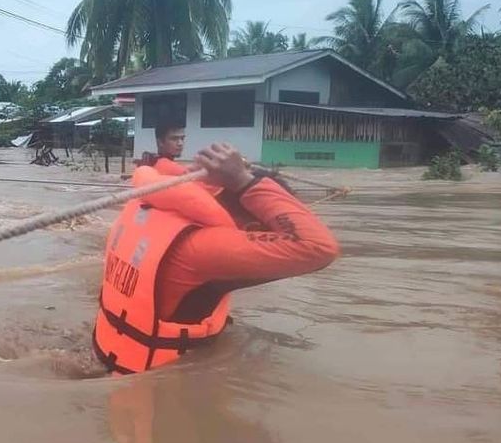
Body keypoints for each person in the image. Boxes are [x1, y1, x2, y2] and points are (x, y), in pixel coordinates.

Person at [93, 142, 340, 375]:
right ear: (254, 226)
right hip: (161, 383)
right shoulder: (205, 249)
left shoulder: (159, 213)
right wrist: (244, 181)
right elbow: (317, 247)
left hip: (109, 355)